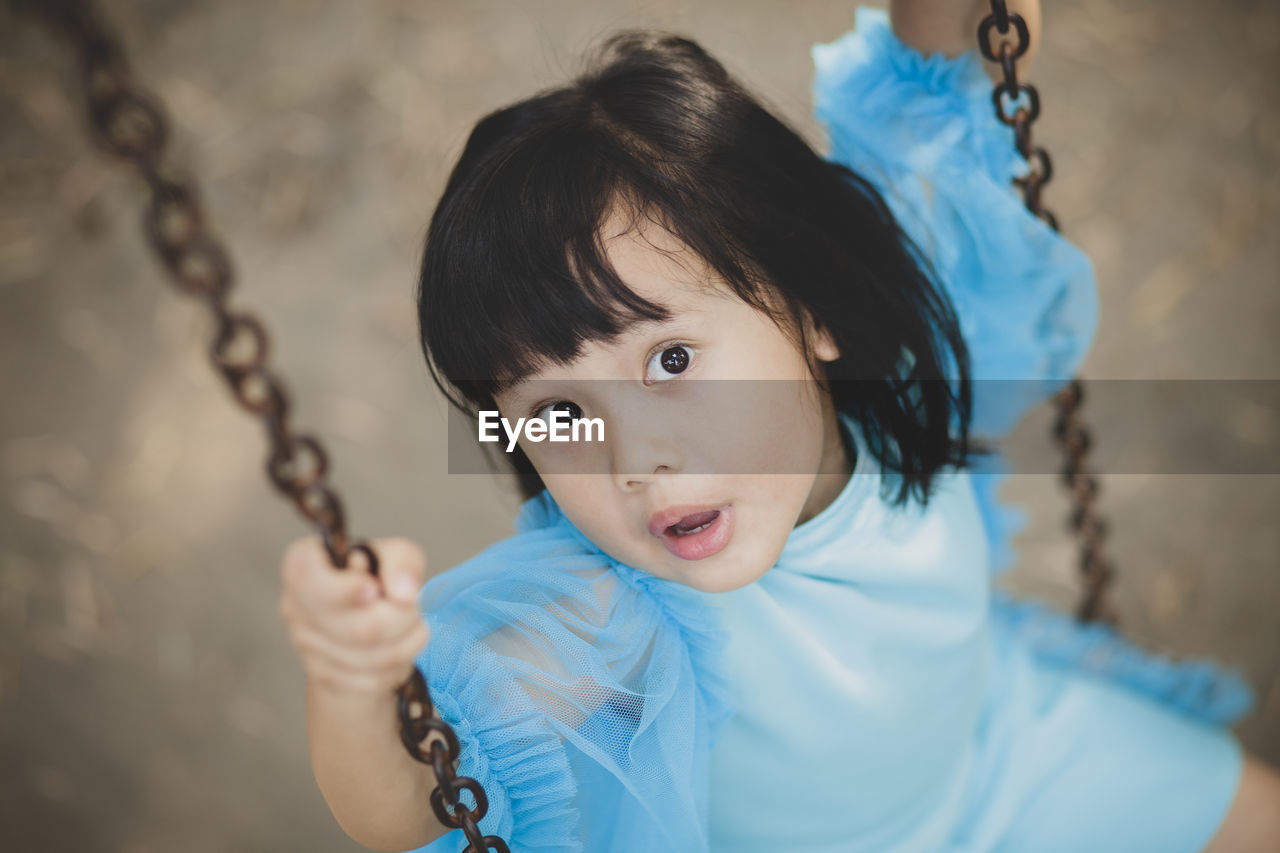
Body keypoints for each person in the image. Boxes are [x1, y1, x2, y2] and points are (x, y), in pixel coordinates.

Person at [278, 2, 1280, 851]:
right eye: (560, 412)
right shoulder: (613, 612)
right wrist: (352, 677)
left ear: (812, 312)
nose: (638, 454)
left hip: (1010, 746)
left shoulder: (898, 385)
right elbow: (411, 803)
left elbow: (939, 72)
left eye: (669, 360)